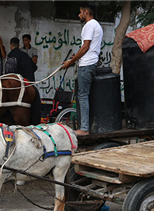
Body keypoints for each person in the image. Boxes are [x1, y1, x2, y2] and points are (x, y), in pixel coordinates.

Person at [60, 3, 103, 136]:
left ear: (85, 12)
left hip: (86, 65)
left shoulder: (89, 25)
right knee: (83, 96)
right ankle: (83, 126)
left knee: (82, 96)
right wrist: (76, 58)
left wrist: (70, 62)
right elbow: (87, 49)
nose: (79, 15)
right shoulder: (97, 25)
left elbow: (85, 47)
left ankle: (84, 129)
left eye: (80, 13)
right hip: (90, 62)